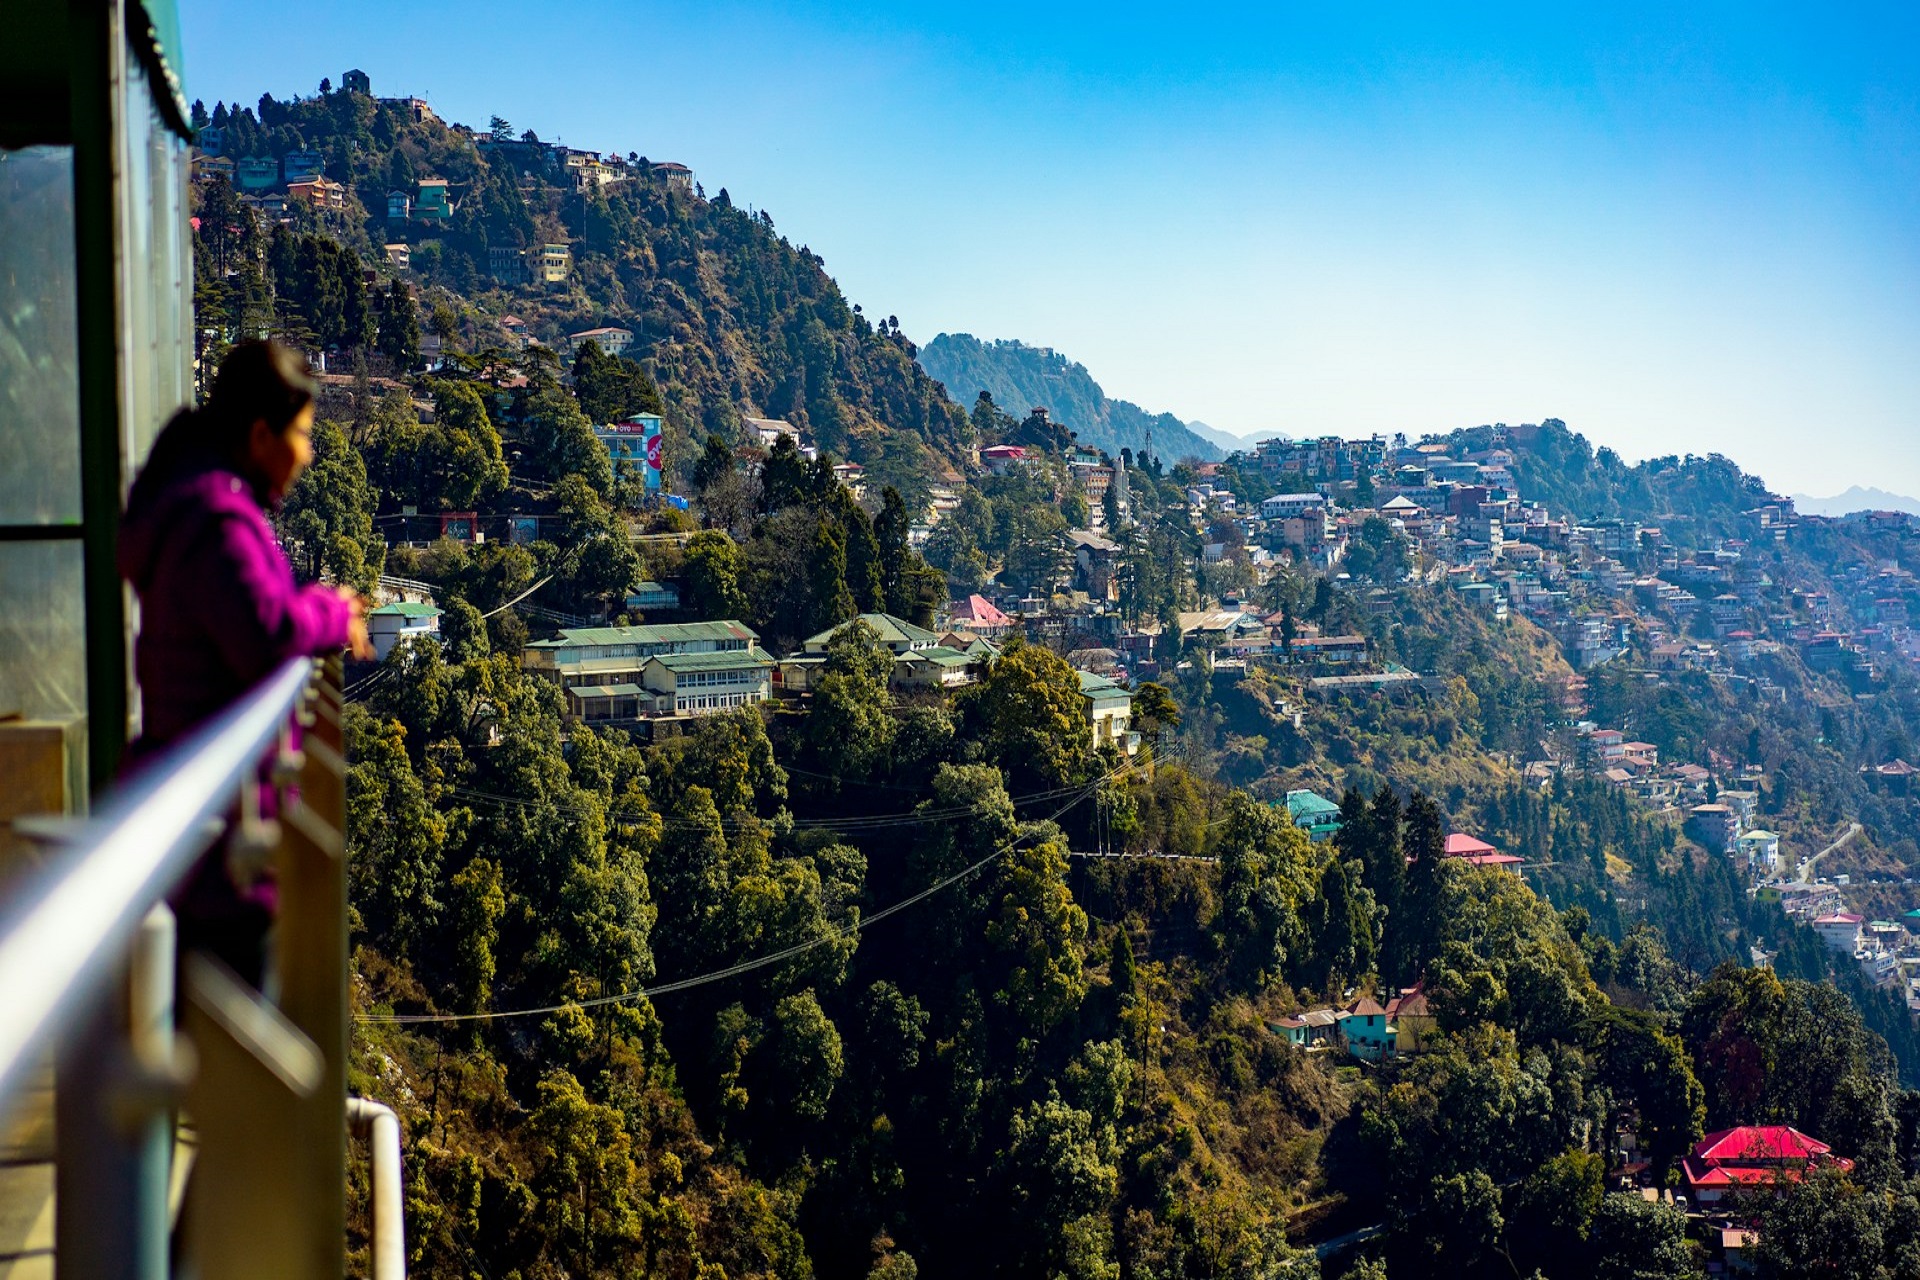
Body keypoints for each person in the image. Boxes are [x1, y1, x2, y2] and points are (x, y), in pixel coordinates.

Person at [119, 340, 374, 986]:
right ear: (261, 435)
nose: (307, 454)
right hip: (217, 854)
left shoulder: (202, 505)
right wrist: (332, 613)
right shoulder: (217, 521)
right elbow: (268, 631)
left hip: (202, 832)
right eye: (302, 435)